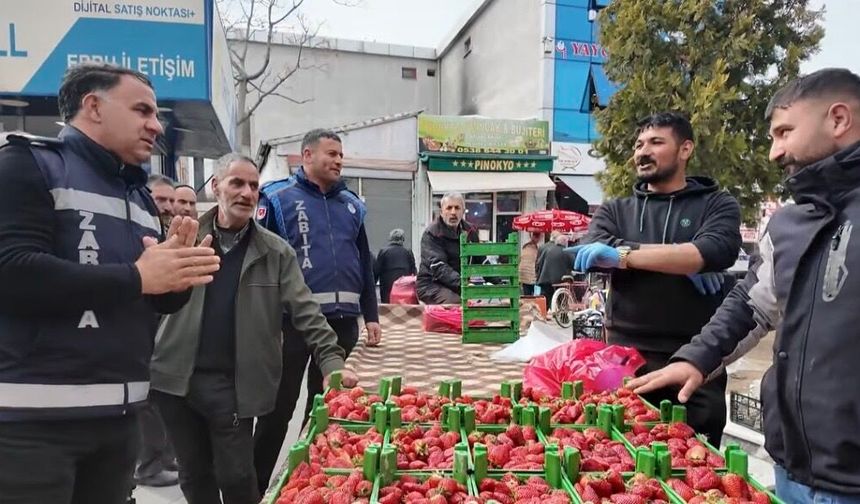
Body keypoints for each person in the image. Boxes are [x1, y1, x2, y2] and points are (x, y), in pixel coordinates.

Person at [628, 69, 860, 501]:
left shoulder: (718, 204)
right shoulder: (788, 224)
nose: (775, 152)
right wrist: (696, 359)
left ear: (838, 119)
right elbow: (752, 305)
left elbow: (711, 250)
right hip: (793, 464)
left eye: (784, 132)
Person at [0, 63, 220, 504]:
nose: (156, 126)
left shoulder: (136, 195)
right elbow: (13, 270)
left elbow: (146, 297)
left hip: (120, 421)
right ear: (93, 106)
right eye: (142, 111)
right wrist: (140, 275)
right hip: (33, 425)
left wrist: (176, 278)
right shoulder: (27, 164)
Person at [150, 153, 358, 504]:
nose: (247, 193)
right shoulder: (183, 238)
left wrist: (331, 361)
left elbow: (307, 311)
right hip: (175, 379)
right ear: (215, 187)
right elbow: (151, 302)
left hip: (232, 384)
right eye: (237, 183)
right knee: (193, 473)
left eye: (253, 186)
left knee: (237, 476)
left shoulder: (275, 252)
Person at [568, 112, 741, 445]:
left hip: (697, 358)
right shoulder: (615, 210)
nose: (642, 152)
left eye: (656, 142)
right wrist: (681, 258)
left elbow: (715, 250)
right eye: (638, 145)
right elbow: (591, 249)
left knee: (697, 473)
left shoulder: (717, 204)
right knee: (617, 460)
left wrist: (623, 255)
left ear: (685, 149)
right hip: (624, 359)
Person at [254, 128, 381, 493]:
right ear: (306, 156)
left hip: (342, 326)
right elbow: (261, 266)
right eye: (331, 153)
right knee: (278, 409)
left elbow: (364, 261)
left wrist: (370, 315)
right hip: (290, 326)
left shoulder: (353, 205)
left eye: (341, 154)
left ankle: (309, 482)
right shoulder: (277, 199)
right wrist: (268, 322)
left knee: (325, 410)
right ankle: (256, 485)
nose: (339, 160)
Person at [416, 192, 480, 304]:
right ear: (441, 212)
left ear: (463, 211)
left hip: (457, 285)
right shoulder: (432, 233)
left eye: (457, 208)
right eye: (449, 208)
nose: (453, 212)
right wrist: (463, 284)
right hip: (431, 285)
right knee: (458, 305)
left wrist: (501, 284)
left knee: (482, 303)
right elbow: (438, 266)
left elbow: (481, 259)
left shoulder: (470, 231)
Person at [375, 228, 417, 303]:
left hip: (387, 287)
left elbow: (377, 270)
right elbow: (414, 272)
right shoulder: (408, 252)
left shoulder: (383, 252)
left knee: (387, 309)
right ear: (402, 239)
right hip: (404, 288)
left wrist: (373, 284)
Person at [535, 231, 572, 304]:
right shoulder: (567, 251)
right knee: (561, 302)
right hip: (560, 281)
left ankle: (543, 314)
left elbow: (539, 263)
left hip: (545, 280)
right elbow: (573, 264)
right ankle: (561, 314)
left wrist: (538, 275)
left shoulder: (547, 250)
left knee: (545, 302)